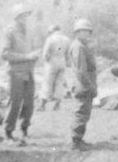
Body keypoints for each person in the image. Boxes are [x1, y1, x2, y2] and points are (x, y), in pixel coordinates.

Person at [0, 4, 40, 143]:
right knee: (15, 103)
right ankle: (8, 133)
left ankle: (24, 131)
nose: (25, 18)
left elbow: (32, 51)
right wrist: (27, 57)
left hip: (29, 72)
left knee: (29, 103)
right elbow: (4, 53)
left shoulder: (28, 32)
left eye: (26, 16)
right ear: (16, 17)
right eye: (22, 16)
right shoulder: (9, 32)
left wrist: (34, 56)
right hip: (15, 73)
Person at [69, 18, 97, 151]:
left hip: (85, 83)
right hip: (83, 84)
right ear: (77, 33)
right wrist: (90, 86)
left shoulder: (81, 46)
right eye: (83, 32)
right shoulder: (78, 46)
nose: (86, 34)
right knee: (81, 112)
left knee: (84, 112)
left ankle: (78, 139)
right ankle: (75, 141)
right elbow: (81, 70)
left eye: (87, 32)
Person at [38, 24, 71, 111]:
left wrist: (45, 60)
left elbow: (45, 53)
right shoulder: (66, 39)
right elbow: (67, 53)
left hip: (52, 62)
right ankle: (57, 104)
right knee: (59, 83)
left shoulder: (51, 39)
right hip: (62, 61)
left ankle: (42, 105)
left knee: (47, 82)